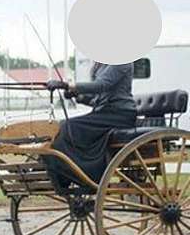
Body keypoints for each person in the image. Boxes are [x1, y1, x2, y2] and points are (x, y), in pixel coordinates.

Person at [43, 62, 137, 192]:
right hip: (104, 113)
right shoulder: (100, 66)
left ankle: (84, 174)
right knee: (62, 128)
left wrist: (68, 85)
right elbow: (97, 98)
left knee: (68, 127)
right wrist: (77, 96)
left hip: (119, 114)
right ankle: (66, 172)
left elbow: (102, 85)